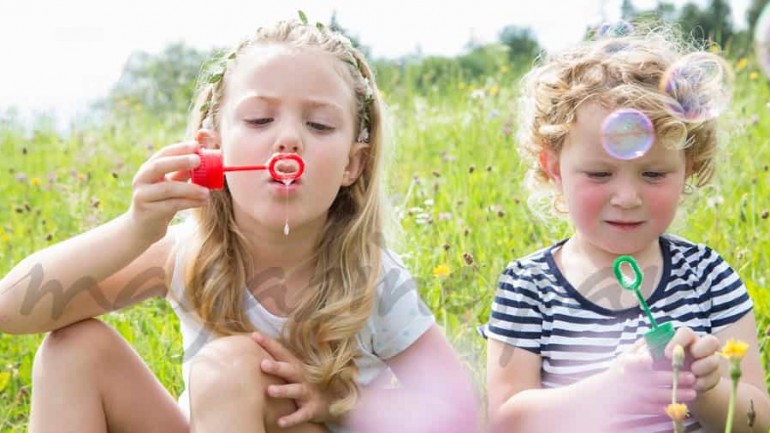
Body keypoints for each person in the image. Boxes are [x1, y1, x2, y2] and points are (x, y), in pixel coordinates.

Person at [0, 17, 477, 433]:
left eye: (320, 126)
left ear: (353, 164)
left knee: (234, 366)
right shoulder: (188, 254)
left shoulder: (372, 279)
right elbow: (12, 311)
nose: (288, 138)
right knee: (73, 350)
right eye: (259, 118)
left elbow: (460, 413)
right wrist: (134, 230)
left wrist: (343, 401)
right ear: (212, 149)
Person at [483, 24, 770, 433]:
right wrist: (611, 388)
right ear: (554, 169)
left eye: (653, 174)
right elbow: (506, 420)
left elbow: (759, 420)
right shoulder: (529, 286)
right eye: (600, 174)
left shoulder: (708, 277)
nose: (627, 197)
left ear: (687, 170)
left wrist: (705, 388)